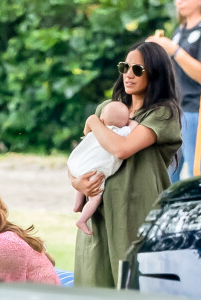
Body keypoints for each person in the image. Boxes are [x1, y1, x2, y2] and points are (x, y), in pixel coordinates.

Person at [69, 41, 182, 288]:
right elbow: (84, 156)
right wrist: (77, 182)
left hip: (136, 212)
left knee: (135, 284)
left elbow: (122, 148)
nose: (128, 74)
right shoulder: (108, 109)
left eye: (138, 69)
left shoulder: (163, 114)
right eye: (125, 67)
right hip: (99, 213)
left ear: (156, 73)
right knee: (94, 283)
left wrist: (94, 121)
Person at [147, 0, 201, 182]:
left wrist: (174, 50)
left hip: (195, 110)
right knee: (168, 172)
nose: (179, 2)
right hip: (174, 110)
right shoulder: (180, 30)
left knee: (196, 173)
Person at [67, 101, 138, 235]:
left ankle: (77, 204)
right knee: (95, 197)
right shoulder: (120, 132)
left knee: (84, 178)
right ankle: (82, 220)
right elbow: (135, 126)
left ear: (102, 119)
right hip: (95, 170)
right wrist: (130, 121)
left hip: (77, 165)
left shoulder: (96, 131)